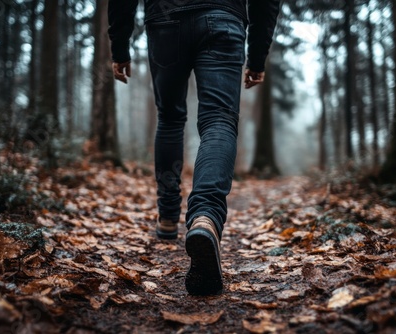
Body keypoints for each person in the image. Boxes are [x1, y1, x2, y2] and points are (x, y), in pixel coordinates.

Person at [108, 0, 280, 295]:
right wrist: (257, 55)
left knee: (170, 118)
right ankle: (205, 217)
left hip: (165, 20)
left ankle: (167, 217)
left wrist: (120, 45)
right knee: (219, 121)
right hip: (223, 17)